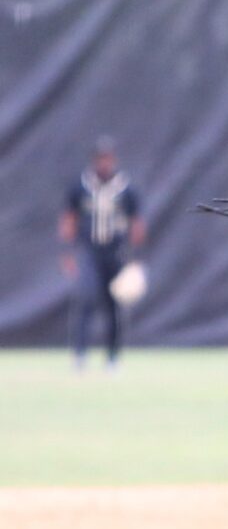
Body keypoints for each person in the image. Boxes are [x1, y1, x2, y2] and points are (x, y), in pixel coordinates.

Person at [58, 137, 146, 370]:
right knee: (86, 298)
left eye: (108, 158)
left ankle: (112, 357)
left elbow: (136, 224)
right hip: (89, 251)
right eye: (101, 159)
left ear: (114, 159)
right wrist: (67, 252)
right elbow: (69, 220)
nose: (105, 163)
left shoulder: (125, 189)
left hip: (116, 253)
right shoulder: (81, 187)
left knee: (114, 305)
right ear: (94, 160)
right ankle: (80, 355)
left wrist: (135, 259)